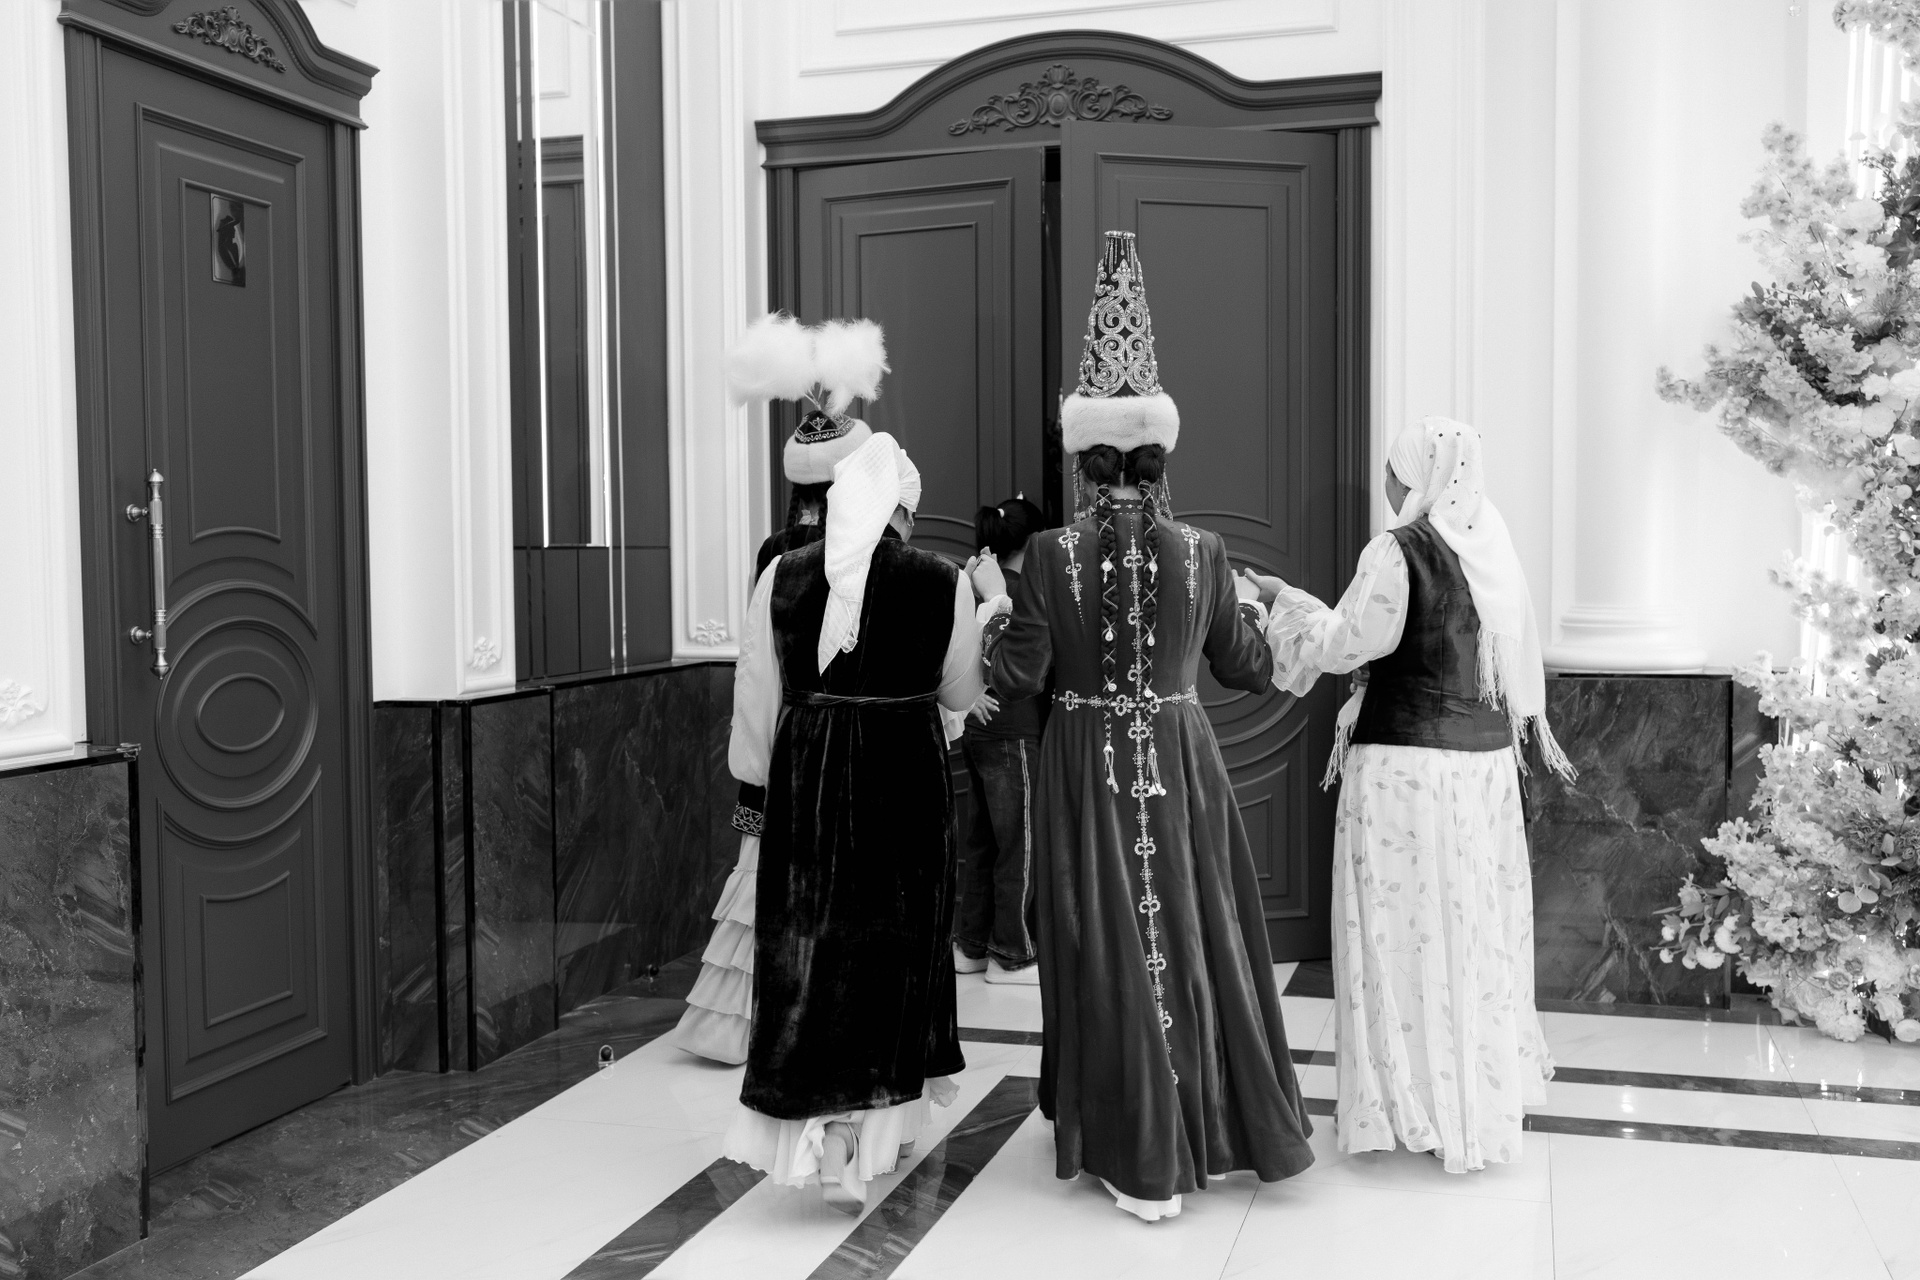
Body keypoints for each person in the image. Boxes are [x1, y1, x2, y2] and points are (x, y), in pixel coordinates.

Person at [971, 231, 1315, 1222]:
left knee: (1100, 937)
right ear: (1160, 455)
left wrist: (991, 616)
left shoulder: (1047, 554)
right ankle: (1204, 1123)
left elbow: (1018, 675)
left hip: (1085, 760)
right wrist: (1267, 609)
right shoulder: (1205, 551)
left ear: (1085, 458)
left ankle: (1125, 1134)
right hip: (1179, 754)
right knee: (1195, 930)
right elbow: (1246, 668)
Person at [1246, 415, 1574, 1174]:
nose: (1388, 485)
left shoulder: (1398, 550)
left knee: (1402, 931)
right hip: (1483, 771)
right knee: (1469, 928)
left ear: (1420, 476)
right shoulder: (1493, 546)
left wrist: (1284, 605)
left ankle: (1407, 1105)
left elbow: (1344, 645)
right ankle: (1471, 1100)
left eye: (1394, 472)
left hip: (1406, 772)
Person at [721, 429, 986, 1215]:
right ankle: (872, 1129)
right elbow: (961, 693)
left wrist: (763, 783)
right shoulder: (942, 580)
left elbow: (756, 694)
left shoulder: (782, 574)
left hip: (809, 783)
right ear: (903, 508)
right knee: (898, 950)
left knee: (813, 950)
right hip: (906, 784)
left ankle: (826, 1129)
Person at [672, 314, 888, 1066]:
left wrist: (754, 762)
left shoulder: (776, 549)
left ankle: (746, 1023)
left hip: (784, 736)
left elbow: (754, 667)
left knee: (765, 875)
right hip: (847, 735)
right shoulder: (871, 552)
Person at [953, 496, 1050, 987]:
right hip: (1013, 733)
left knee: (983, 842)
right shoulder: (1020, 594)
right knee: (1019, 845)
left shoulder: (974, 588)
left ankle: (970, 946)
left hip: (976, 731)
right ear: (1032, 542)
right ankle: (1012, 954)